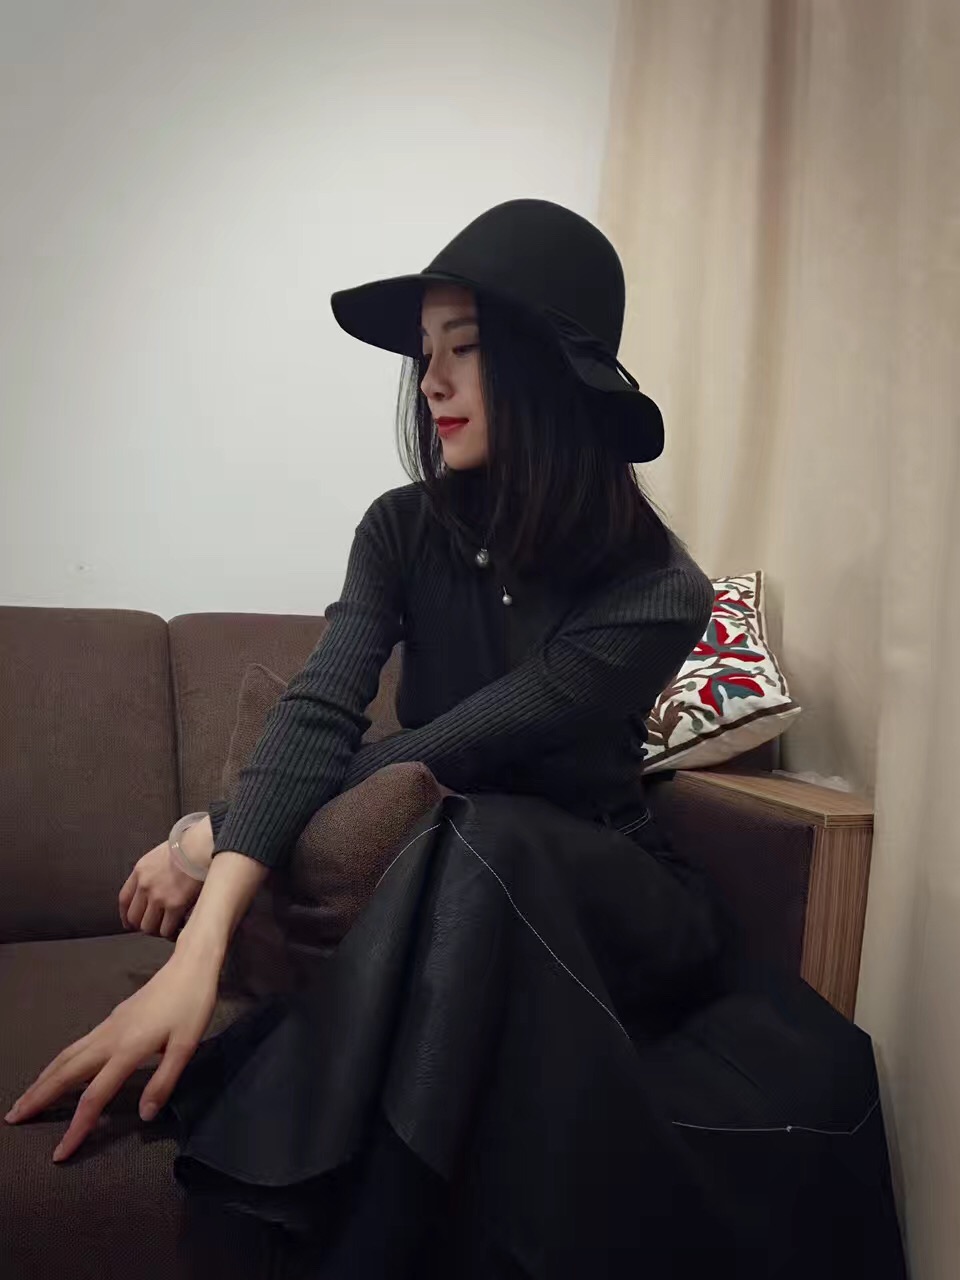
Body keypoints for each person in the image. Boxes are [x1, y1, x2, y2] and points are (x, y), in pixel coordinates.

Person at [4, 201, 905, 1278]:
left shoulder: (660, 590)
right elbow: (322, 708)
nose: (429, 380)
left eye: (464, 348)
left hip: (612, 908)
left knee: (485, 830)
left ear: (551, 374)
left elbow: (458, 745)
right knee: (465, 841)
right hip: (452, 895)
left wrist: (211, 836)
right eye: (424, 351)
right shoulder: (399, 528)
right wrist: (195, 954)